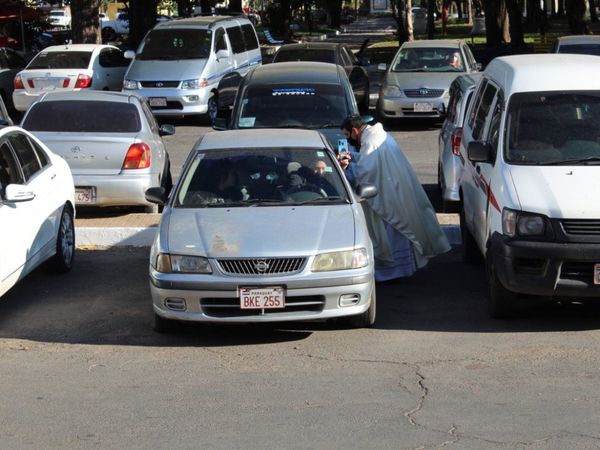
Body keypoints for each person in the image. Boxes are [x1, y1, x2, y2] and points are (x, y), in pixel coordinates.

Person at [339, 115, 450, 281]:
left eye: (348, 135)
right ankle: (404, 269)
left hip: (388, 198)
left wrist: (347, 168)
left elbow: (366, 172)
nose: (349, 139)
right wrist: (353, 158)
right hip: (396, 191)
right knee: (401, 234)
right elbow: (370, 161)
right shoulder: (378, 136)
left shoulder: (371, 142)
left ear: (355, 131)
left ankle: (392, 273)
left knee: (393, 235)